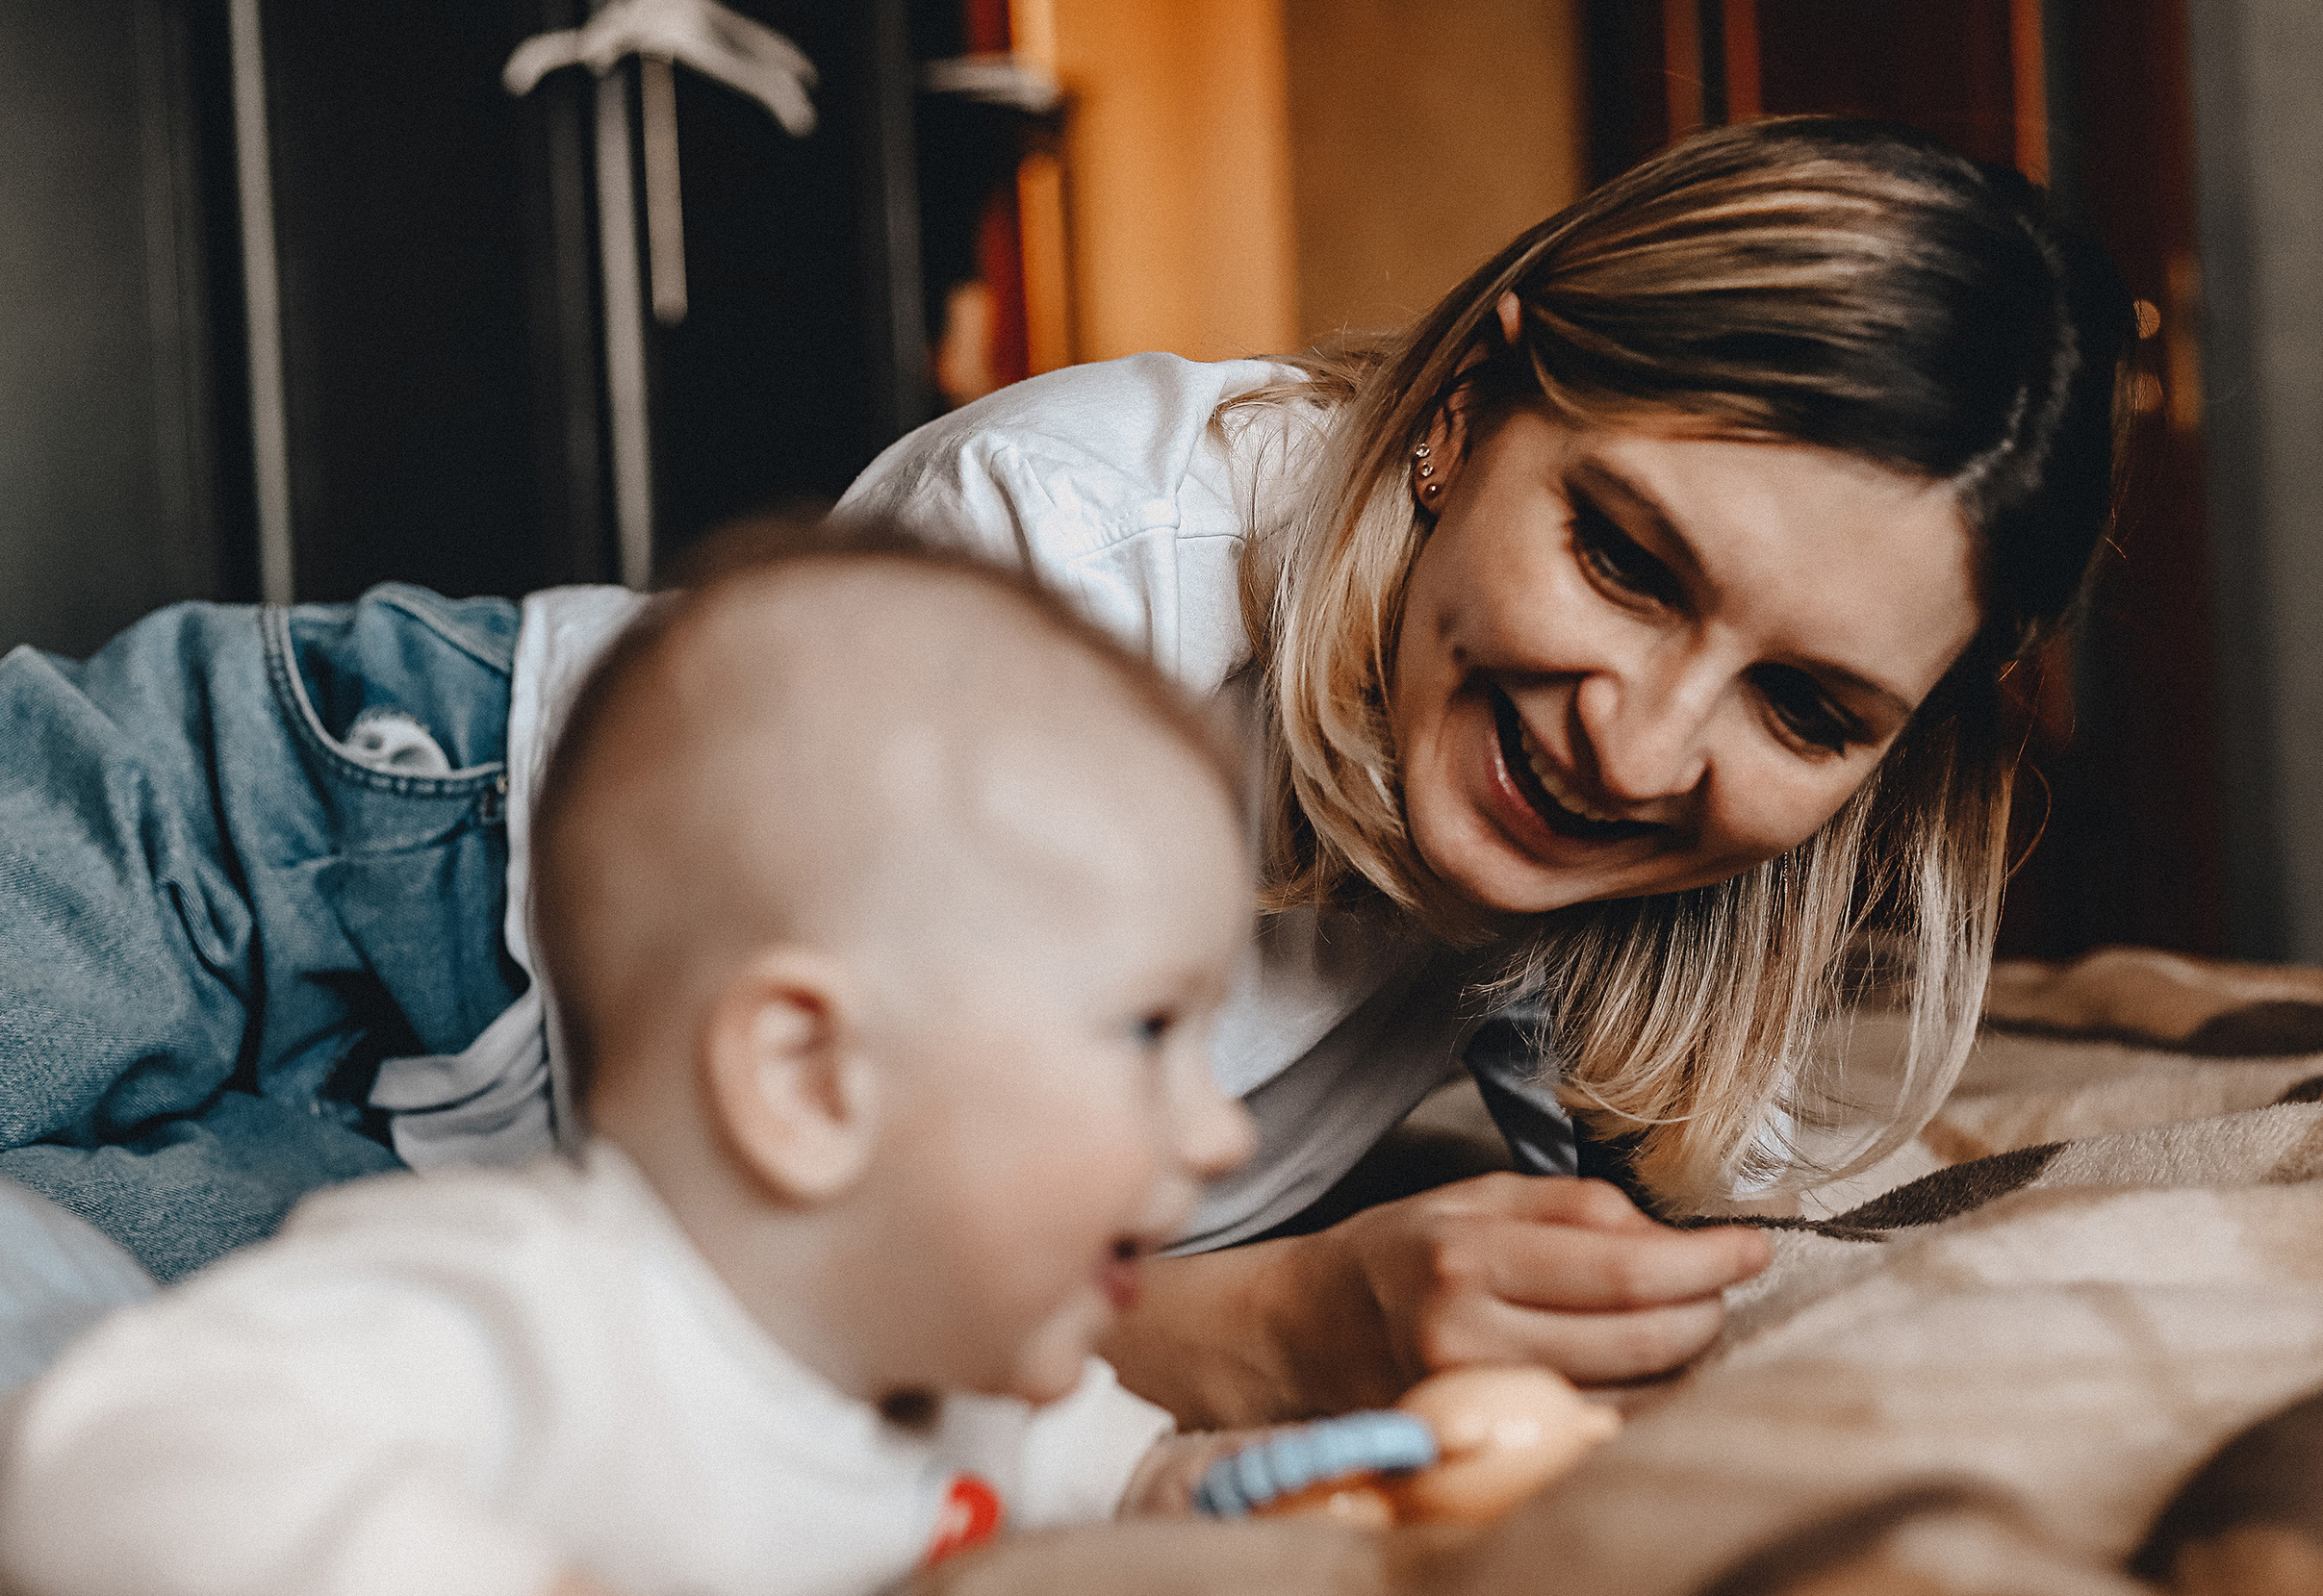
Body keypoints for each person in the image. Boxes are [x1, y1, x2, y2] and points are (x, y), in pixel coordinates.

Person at [0, 117, 2131, 1425]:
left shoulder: (1668, 871)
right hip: (338, 824)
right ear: (1473, 406)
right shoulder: (1074, 549)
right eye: (1621, 556)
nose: (1641, 745)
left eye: (1806, 710)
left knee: (106, 1404)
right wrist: (1260, 1322)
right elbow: (816, 1259)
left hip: (492, 1180)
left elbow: (1747, 1176)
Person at [0, 540, 1262, 1596]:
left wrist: (1174, 1480)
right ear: (811, 1082)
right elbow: (103, 1463)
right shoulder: (536, 1312)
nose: (1224, 1130)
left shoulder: (940, 1355)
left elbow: (1072, 1463)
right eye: (1149, 1031)